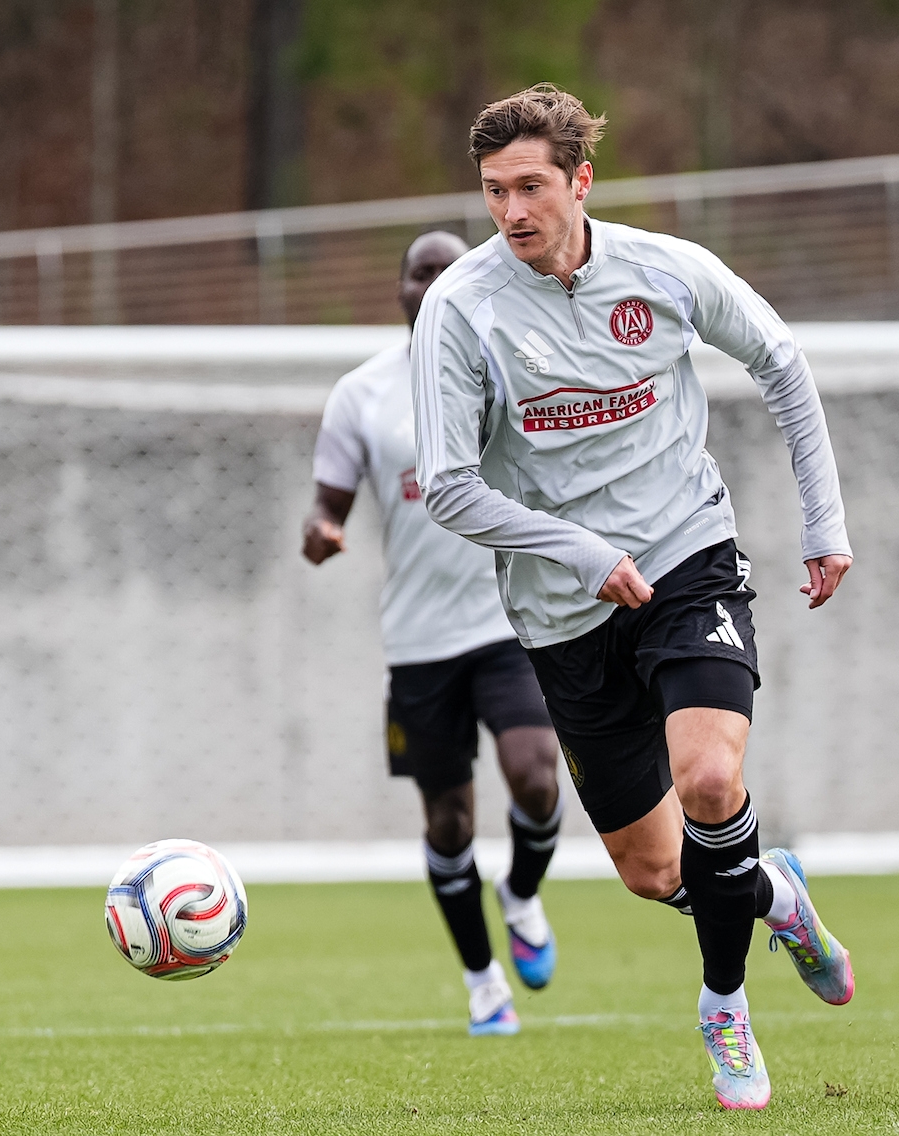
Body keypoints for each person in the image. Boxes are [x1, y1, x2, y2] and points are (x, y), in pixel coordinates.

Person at [411, 84, 854, 1110]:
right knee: (657, 870)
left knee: (710, 779)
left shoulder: (663, 270)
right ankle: (774, 893)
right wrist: (577, 551)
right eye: (494, 191)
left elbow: (781, 360)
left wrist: (825, 524)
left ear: (581, 180)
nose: (512, 211)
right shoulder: (461, 309)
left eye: (531, 186)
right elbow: (446, 484)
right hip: (565, 609)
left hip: (686, 556)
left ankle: (724, 1006)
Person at [302, 230, 565, 1037]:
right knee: (449, 821)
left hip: (506, 621)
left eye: (450, 270)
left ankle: (521, 893)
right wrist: (320, 533)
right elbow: (327, 507)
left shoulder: (510, 369)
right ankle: (483, 983)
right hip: (419, 642)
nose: (435, 283)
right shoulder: (362, 394)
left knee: (538, 777)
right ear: (401, 291)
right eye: (422, 273)